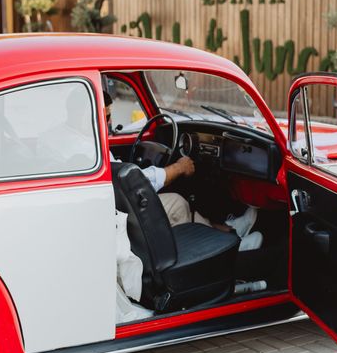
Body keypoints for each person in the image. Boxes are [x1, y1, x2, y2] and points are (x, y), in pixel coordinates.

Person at [104, 91, 262, 251]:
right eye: (106, 117)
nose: (109, 123)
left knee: (178, 202)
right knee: (178, 205)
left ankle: (228, 231)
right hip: (115, 214)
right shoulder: (88, 147)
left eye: (109, 117)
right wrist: (178, 168)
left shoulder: (89, 142)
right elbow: (133, 183)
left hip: (113, 208)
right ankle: (224, 250)